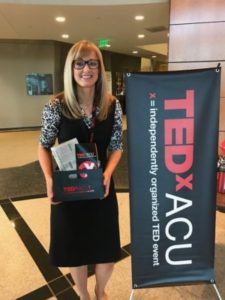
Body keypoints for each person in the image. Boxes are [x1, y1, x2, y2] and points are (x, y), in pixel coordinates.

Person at [38, 40, 123, 300]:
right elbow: (43, 146)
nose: (86, 69)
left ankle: (100, 291)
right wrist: (50, 180)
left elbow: (117, 146)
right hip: (70, 188)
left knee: (106, 249)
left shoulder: (112, 105)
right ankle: (84, 295)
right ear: (71, 68)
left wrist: (107, 173)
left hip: (101, 187)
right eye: (80, 63)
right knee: (75, 249)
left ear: (99, 68)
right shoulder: (57, 106)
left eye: (92, 62)